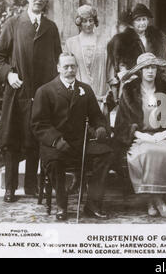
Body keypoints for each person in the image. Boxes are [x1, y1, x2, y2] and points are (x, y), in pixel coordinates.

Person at [0, 0, 62, 202]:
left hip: (41, 94)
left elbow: (58, 59)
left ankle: (31, 187)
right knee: (12, 141)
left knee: (36, 138)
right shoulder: (13, 24)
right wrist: (8, 75)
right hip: (18, 92)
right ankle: (10, 189)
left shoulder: (50, 27)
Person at [31, 53, 113, 221]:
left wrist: (100, 128)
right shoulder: (45, 91)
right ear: (58, 68)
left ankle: (92, 204)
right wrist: (56, 140)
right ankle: (62, 204)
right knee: (55, 161)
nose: (70, 70)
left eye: (73, 66)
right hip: (55, 144)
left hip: (80, 142)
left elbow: (96, 116)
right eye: (66, 66)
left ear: (77, 68)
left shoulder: (85, 89)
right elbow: (38, 124)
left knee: (106, 153)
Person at [114, 53, 166, 218]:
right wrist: (141, 136)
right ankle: (158, 201)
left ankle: (152, 200)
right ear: (140, 71)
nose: (150, 71)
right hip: (139, 138)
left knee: (165, 153)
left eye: (153, 67)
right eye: (146, 68)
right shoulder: (129, 91)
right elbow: (122, 123)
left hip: (162, 136)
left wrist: (165, 133)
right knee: (146, 153)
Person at [64, 5, 119, 114]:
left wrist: (115, 97)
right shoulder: (71, 43)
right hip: (78, 99)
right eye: (84, 21)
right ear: (79, 23)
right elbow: (67, 72)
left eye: (91, 20)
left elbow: (110, 72)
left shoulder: (105, 42)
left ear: (95, 21)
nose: (88, 24)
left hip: (100, 99)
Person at [107, 3, 166, 86]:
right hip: (132, 80)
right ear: (132, 23)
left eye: (144, 19)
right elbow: (120, 65)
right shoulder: (122, 40)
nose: (142, 23)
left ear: (148, 20)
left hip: (153, 78)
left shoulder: (158, 38)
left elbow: (162, 61)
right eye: (138, 20)